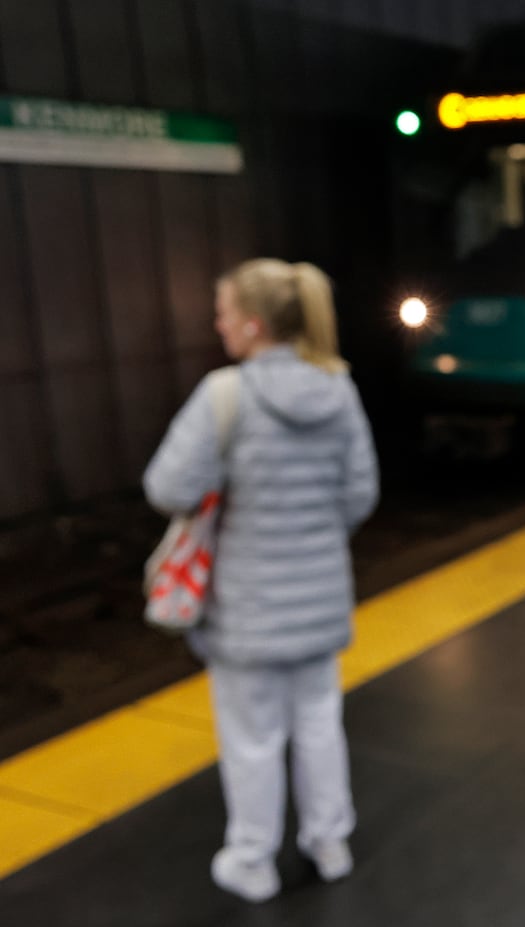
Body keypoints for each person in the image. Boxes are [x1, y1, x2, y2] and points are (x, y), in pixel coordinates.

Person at [144, 259, 379, 903]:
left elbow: (167, 486)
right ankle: (330, 842)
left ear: (251, 324)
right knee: (318, 723)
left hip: (247, 609)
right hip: (319, 600)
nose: (217, 326)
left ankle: (252, 860)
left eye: (222, 314)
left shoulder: (227, 394)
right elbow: (361, 494)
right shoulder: (339, 390)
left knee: (252, 738)